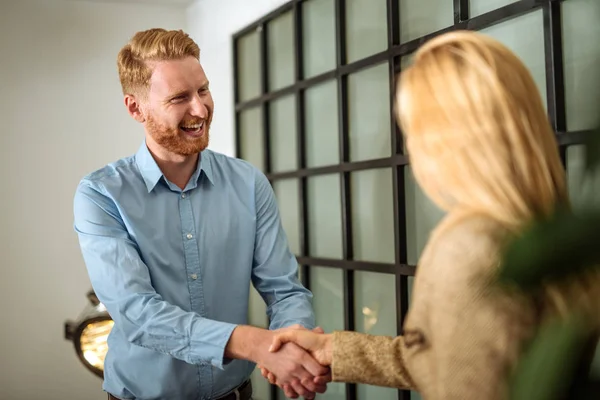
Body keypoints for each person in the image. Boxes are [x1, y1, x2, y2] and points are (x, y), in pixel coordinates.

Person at [264, 30, 600, 399]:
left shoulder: (469, 248)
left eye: (412, 131)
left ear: (444, 139)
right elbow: (450, 357)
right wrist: (334, 351)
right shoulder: (553, 235)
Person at [73, 28, 330, 400]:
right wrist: (253, 343)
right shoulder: (100, 195)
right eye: (180, 98)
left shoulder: (247, 182)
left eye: (203, 90)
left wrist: (295, 345)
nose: (200, 109)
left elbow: (284, 289)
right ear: (135, 108)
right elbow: (139, 314)